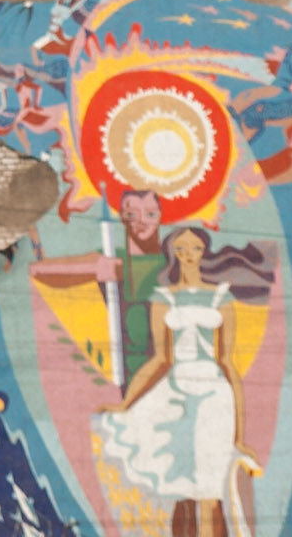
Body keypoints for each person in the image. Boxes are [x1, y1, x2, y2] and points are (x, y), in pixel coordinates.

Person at [95, 226, 271, 537]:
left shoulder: (221, 296)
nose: (188, 255)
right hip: (175, 397)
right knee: (182, 490)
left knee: (211, 487)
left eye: (194, 248)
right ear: (172, 254)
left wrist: (239, 438)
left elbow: (228, 363)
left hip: (214, 397)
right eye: (181, 249)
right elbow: (161, 359)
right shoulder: (163, 297)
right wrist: (126, 404)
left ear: (204, 251)